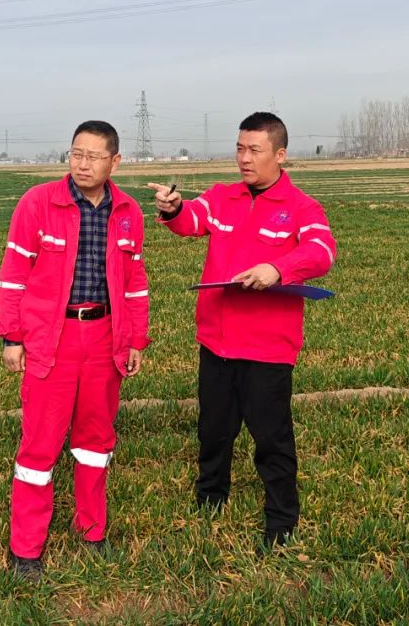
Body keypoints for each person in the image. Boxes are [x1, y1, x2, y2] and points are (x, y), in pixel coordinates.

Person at [148, 111, 336, 550]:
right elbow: (191, 219)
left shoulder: (302, 208)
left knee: (271, 437)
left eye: (254, 150)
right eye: (239, 148)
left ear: (280, 155)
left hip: (268, 348)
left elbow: (322, 251)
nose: (244, 158)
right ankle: (211, 498)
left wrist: (279, 268)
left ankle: (281, 520)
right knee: (213, 429)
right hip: (216, 340)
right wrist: (173, 209)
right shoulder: (222, 197)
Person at [0, 120, 150, 580]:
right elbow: (13, 274)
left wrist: (136, 339)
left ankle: (92, 531)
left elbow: (135, 283)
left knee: (95, 442)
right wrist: (12, 336)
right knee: (39, 445)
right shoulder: (38, 203)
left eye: (93, 156)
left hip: (104, 337)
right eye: (76, 154)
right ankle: (26, 549)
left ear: (114, 161)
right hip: (52, 338)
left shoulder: (128, 212)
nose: (83, 164)